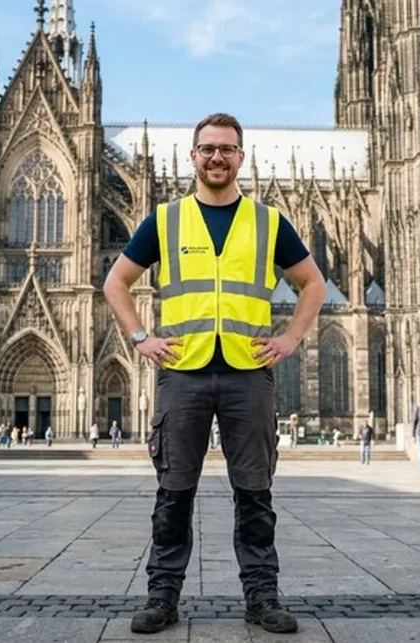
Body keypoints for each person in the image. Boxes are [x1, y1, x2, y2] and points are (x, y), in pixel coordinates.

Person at [104, 112, 325, 635]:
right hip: (185, 371)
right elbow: (117, 282)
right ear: (193, 156)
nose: (217, 157)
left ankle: (262, 597)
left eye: (227, 149)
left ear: (241, 157)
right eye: (208, 149)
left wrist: (291, 338)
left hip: (248, 372)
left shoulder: (268, 221)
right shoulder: (165, 218)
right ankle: (162, 597)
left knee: (254, 492)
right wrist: (141, 338)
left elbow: (312, 283)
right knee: (174, 491)